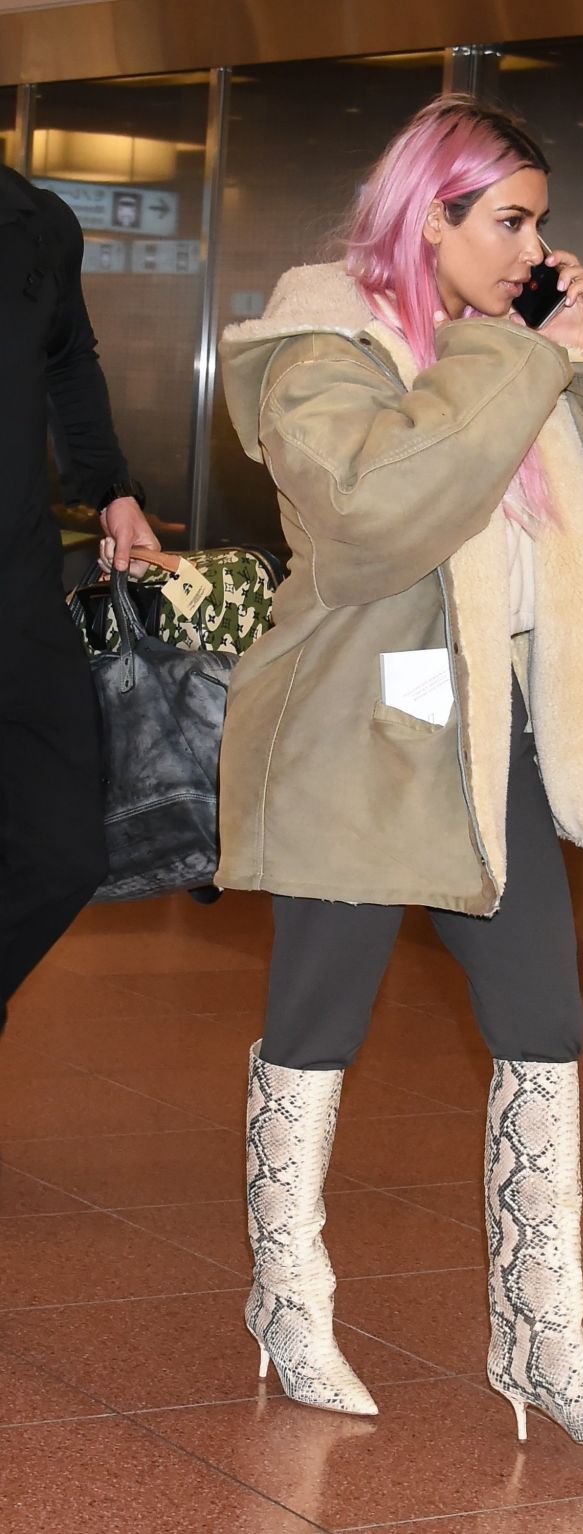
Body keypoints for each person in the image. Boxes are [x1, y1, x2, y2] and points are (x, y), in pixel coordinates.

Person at [218, 96, 583, 1443]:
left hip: (500, 730)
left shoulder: (509, 349)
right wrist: (521, 362)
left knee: (542, 1026)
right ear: (428, 214)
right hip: (366, 731)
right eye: (507, 220)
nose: (529, 246)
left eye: (538, 221)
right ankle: (290, 1300)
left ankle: (546, 1343)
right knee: (319, 1025)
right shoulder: (319, 342)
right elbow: (376, 512)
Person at [0, 165, 157, 1027]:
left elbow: (69, 361)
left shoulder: (39, 222)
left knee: (65, 852)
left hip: (19, 589)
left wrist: (110, 488)